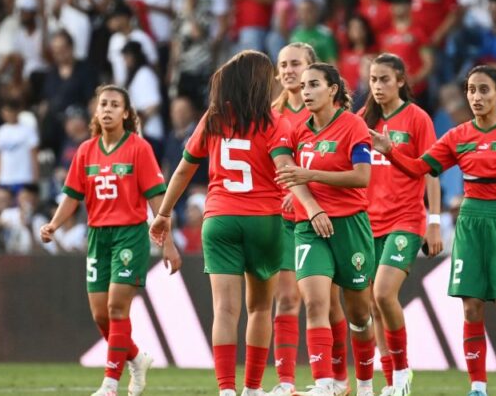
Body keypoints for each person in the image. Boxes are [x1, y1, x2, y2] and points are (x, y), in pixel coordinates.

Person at [368, 64, 496, 396]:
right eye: (471, 90)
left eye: (484, 90)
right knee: (471, 306)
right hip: (470, 222)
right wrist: (391, 151)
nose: (476, 96)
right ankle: (477, 386)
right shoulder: (459, 136)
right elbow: (420, 168)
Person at [149, 51, 330, 396]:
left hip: (218, 220)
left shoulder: (214, 118)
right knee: (261, 307)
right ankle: (252, 389)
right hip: (264, 221)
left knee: (225, 310)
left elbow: (184, 168)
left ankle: (226, 390)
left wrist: (164, 214)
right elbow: (286, 170)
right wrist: (310, 203)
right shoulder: (275, 122)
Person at [40, 84, 181, 396]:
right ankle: (136, 358)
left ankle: (109, 385)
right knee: (101, 314)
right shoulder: (85, 151)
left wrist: (167, 243)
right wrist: (54, 224)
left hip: (129, 234)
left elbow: (157, 199)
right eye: (102, 103)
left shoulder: (138, 149)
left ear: (126, 113)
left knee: (118, 308)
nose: (107, 109)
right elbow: (71, 196)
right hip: (97, 237)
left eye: (114, 105)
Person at [275, 63, 376, 396]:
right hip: (310, 227)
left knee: (360, 315)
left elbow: (362, 178)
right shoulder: (297, 130)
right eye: (303, 86)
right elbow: (291, 176)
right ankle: (324, 384)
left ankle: (363, 385)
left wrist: (312, 177)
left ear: (333, 90)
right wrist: (307, 201)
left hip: (350, 225)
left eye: (314, 84)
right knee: (316, 303)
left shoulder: (353, 126)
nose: (305, 91)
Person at [358, 53, 443, 396]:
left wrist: (434, 222)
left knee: (382, 292)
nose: (377, 86)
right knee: (374, 305)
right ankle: (393, 380)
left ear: (401, 81)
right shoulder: (363, 119)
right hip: (367, 220)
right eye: (373, 80)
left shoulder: (417, 119)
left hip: (405, 218)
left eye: (384, 79)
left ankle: (403, 370)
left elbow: (432, 170)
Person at [269, 43, 350, 396]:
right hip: (280, 217)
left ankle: (338, 380)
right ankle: (286, 383)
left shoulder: (329, 114)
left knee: (328, 302)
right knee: (286, 298)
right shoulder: (270, 113)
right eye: (283, 65)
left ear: (311, 69)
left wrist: (304, 188)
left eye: (296, 64)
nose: (289, 71)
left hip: (322, 216)